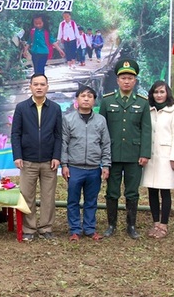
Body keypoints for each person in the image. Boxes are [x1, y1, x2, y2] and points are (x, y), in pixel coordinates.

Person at [99, 59, 151, 239]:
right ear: (118, 80)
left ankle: (131, 226)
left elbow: (146, 130)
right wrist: (102, 155)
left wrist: (145, 153)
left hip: (133, 155)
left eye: (130, 78)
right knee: (112, 191)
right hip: (112, 155)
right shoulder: (107, 101)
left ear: (135, 81)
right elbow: (101, 129)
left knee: (132, 192)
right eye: (123, 78)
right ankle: (111, 225)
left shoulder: (143, 103)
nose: (127, 81)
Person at [10, 73, 63, 241]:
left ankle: (46, 228)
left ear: (47, 87)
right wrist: (18, 155)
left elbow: (58, 135)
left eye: (42, 84)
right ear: (30, 87)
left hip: (49, 161)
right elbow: (15, 134)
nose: (39, 87)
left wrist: (56, 156)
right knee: (27, 196)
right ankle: (29, 229)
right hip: (28, 160)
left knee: (48, 196)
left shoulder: (55, 108)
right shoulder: (22, 107)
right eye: (36, 84)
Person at [61, 85, 111, 241]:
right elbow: (64, 143)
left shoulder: (100, 120)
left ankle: (89, 229)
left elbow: (106, 143)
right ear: (77, 99)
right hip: (74, 168)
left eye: (90, 96)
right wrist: (64, 165)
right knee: (73, 200)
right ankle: (74, 230)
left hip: (94, 168)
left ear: (94, 101)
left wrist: (106, 165)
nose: (86, 99)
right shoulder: (68, 119)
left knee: (91, 201)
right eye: (83, 96)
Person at [140, 81, 174, 239]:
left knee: (165, 191)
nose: (159, 95)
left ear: (167, 93)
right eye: (156, 92)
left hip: (166, 156)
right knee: (151, 190)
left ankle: (164, 225)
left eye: (162, 92)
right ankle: (155, 223)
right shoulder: (148, 110)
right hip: (150, 155)